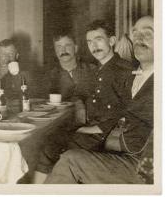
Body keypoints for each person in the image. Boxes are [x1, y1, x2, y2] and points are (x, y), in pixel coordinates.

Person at [44, 16, 154, 184]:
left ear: (111, 41)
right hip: (112, 138)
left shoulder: (126, 71)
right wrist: (80, 109)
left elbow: (120, 112)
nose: (94, 46)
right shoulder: (102, 72)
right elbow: (80, 94)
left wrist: (92, 129)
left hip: (116, 143)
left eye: (98, 40)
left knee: (62, 154)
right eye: (89, 42)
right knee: (49, 146)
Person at [44, 30, 96, 101]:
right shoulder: (49, 75)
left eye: (67, 45)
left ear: (75, 48)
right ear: (55, 50)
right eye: (59, 46)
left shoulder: (92, 70)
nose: (63, 50)